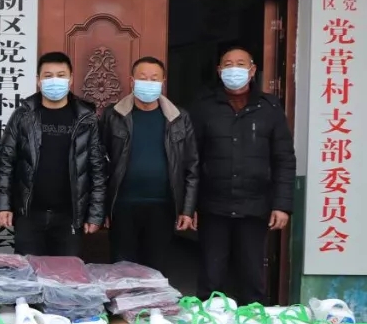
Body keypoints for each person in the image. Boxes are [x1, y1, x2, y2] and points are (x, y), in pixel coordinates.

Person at [190, 46, 295, 305]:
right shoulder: (204, 107)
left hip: (255, 205)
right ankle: (209, 321)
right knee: (211, 274)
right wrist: (189, 207)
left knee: (252, 276)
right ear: (219, 71)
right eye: (228, 64)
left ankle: (253, 321)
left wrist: (282, 205)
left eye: (240, 64)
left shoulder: (269, 107)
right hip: (213, 205)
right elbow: (191, 160)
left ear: (252, 70)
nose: (234, 69)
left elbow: (284, 159)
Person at [0, 51, 106, 257]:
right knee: (28, 273)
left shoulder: (86, 119)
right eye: (48, 76)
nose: (55, 81)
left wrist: (95, 214)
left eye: (61, 75)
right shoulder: (23, 115)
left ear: (71, 79)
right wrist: (3, 206)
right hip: (29, 214)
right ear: (38, 80)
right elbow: (5, 162)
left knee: (66, 274)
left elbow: (97, 168)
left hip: (70, 216)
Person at [100, 56, 199, 271]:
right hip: (122, 206)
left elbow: (192, 166)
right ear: (132, 81)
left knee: (156, 270)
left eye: (154, 78)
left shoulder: (179, 117)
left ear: (163, 82)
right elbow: (99, 164)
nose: (148, 82)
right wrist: (101, 208)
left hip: (162, 207)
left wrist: (187, 209)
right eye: (143, 77)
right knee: (122, 270)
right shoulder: (113, 115)